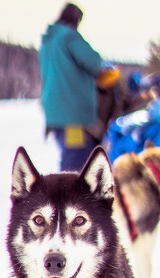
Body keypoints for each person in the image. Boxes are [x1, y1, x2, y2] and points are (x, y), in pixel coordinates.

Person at [38, 3, 103, 171]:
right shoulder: (69, 37)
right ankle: (67, 196)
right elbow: (94, 63)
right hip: (73, 114)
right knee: (76, 163)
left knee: (70, 156)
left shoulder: (48, 41)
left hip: (54, 113)